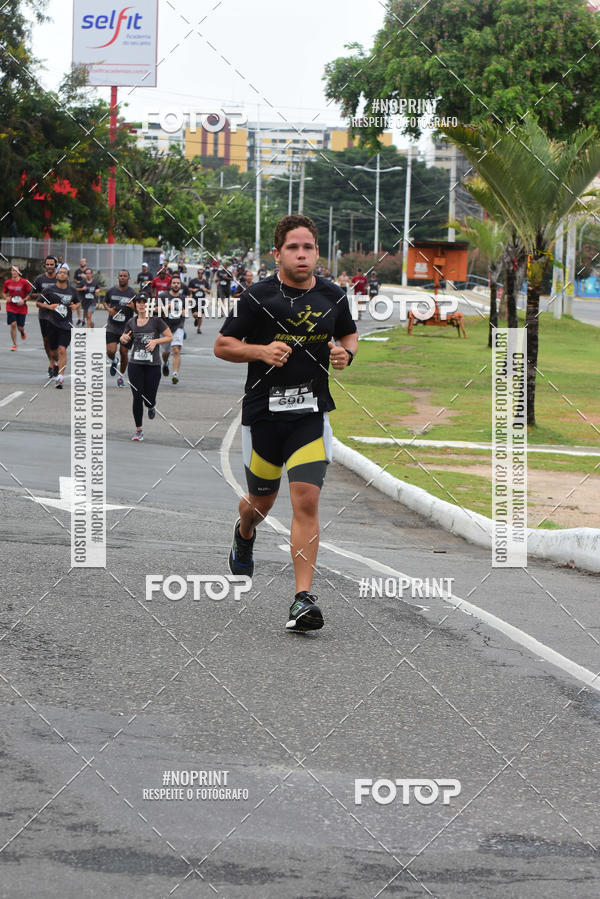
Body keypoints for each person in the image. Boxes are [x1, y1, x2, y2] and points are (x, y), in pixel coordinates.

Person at [214, 214, 358, 632]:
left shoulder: (334, 296)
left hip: (310, 415)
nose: (301, 254)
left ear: (317, 252)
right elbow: (223, 346)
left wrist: (346, 356)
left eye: (308, 247)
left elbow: (348, 336)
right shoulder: (257, 296)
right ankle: (244, 533)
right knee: (260, 503)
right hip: (263, 417)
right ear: (277, 254)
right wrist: (260, 352)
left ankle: (302, 598)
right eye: (293, 248)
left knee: (307, 500)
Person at [120, 293, 172, 441]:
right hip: (135, 364)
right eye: (139, 302)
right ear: (135, 305)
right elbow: (124, 337)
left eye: (144, 302)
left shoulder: (156, 321)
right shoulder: (131, 322)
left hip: (153, 365)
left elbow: (169, 337)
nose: (141, 305)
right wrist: (122, 338)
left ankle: (151, 405)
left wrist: (156, 342)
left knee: (148, 398)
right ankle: (139, 430)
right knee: (137, 396)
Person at [38, 265, 79, 389]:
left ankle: (60, 377)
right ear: (57, 275)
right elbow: (38, 303)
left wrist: (76, 306)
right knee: (54, 351)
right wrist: (49, 307)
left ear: (67, 276)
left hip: (66, 325)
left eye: (64, 273)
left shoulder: (72, 291)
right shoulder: (49, 290)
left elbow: (77, 302)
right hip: (52, 324)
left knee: (62, 350)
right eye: (60, 272)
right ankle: (55, 362)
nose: (62, 274)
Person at [104, 269, 136, 388]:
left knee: (124, 352)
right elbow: (105, 302)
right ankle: (114, 361)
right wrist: (109, 309)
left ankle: (121, 376)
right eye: (120, 276)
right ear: (118, 277)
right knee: (111, 351)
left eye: (125, 276)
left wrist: (133, 307)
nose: (122, 278)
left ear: (129, 278)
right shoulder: (111, 291)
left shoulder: (133, 294)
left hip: (127, 328)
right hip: (112, 326)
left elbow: (140, 310)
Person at [31, 256, 58, 377]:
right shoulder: (39, 279)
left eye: (52, 264)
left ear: (55, 265)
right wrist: (42, 294)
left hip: (57, 314)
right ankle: (51, 362)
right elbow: (32, 294)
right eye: (48, 264)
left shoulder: (60, 278)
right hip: (43, 314)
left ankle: (55, 362)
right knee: (46, 341)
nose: (50, 267)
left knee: (55, 340)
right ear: (45, 266)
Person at [159, 273, 186, 384]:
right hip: (165, 328)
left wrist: (185, 312)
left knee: (176, 350)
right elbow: (155, 309)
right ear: (170, 284)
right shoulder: (163, 296)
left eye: (178, 283)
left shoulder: (183, 298)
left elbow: (186, 311)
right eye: (174, 283)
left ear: (180, 285)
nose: (176, 285)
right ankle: (165, 363)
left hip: (178, 327)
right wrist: (166, 307)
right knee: (165, 353)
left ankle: (175, 374)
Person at [3, 265, 31, 350]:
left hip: (22, 307)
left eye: (16, 270)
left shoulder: (24, 282)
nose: (14, 272)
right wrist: (6, 298)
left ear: (19, 272)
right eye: (13, 270)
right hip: (11, 306)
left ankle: (22, 332)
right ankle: (14, 344)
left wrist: (24, 300)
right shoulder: (7, 282)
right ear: (11, 272)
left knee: (20, 327)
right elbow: (4, 292)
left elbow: (30, 294)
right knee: (13, 324)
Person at [73, 258, 87, 325]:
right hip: (78, 289)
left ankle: (84, 319)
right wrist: (78, 281)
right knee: (78, 304)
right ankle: (79, 318)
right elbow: (74, 279)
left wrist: (85, 277)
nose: (82, 263)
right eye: (81, 261)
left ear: (85, 263)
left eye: (83, 261)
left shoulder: (88, 271)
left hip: (86, 290)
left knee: (85, 305)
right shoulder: (77, 271)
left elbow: (91, 279)